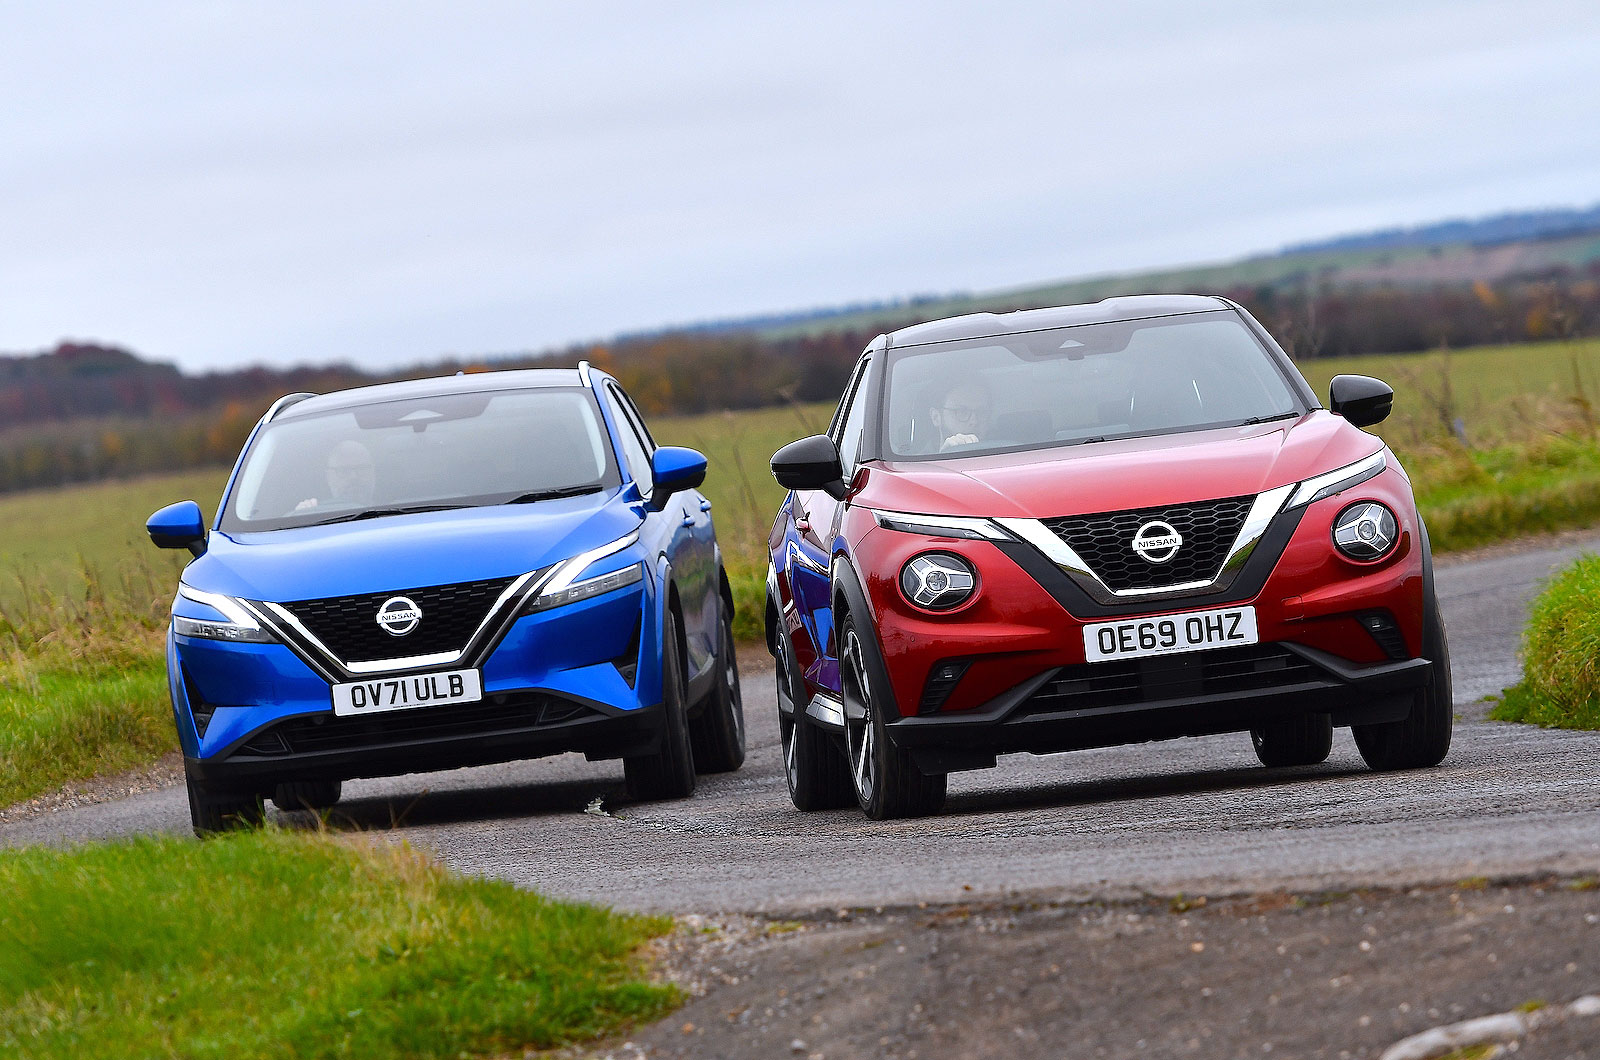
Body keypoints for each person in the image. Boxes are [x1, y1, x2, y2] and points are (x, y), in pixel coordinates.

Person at [294, 439, 375, 511]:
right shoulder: (311, 513)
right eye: (344, 471)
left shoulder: (387, 510)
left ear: (373, 472)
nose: (354, 476)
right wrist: (301, 516)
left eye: (361, 469)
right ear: (328, 477)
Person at [929, 379, 992, 451]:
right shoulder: (918, 460)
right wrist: (944, 457)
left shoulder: (1004, 454)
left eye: (981, 412)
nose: (974, 421)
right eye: (962, 411)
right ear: (936, 417)